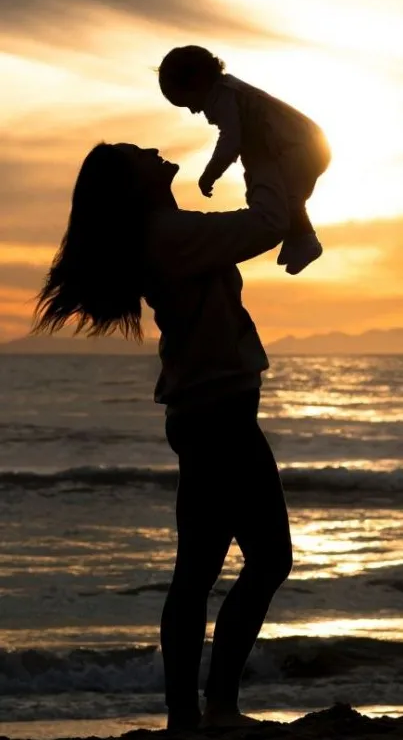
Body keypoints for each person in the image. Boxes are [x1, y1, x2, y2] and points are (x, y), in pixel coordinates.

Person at [31, 142, 293, 731]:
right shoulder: (169, 234)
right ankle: (214, 709)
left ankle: (191, 715)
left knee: (200, 570)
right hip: (217, 416)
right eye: (137, 152)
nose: (153, 148)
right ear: (133, 182)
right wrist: (264, 154)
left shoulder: (166, 231)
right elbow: (270, 223)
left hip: (207, 414)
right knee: (266, 559)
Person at [158, 44, 331, 275]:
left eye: (188, 102)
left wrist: (211, 173)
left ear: (197, 82)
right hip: (306, 145)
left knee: (275, 195)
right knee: (279, 196)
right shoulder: (231, 90)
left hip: (298, 148)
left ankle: (304, 241)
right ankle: (300, 239)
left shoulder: (224, 96)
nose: (192, 111)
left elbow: (231, 140)